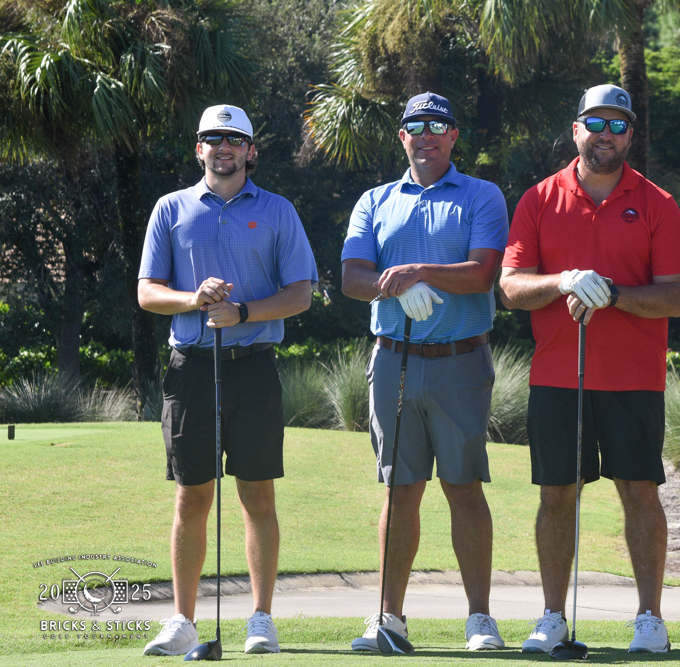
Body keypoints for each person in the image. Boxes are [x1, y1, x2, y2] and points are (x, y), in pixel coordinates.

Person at [498, 84, 680, 654]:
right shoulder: (539, 198)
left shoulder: (657, 203)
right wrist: (562, 281)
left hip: (633, 378)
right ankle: (553, 616)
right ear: (577, 129)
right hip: (557, 376)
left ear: (630, 135)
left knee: (639, 490)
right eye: (596, 123)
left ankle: (650, 619)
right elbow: (510, 287)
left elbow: (675, 297)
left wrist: (612, 293)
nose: (606, 135)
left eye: (618, 125)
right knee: (557, 494)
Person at [137, 104, 317, 656]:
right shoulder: (171, 209)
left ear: (250, 150)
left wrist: (242, 313)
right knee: (192, 497)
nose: (224, 147)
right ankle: (183, 622)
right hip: (191, 369)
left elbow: (300, 293)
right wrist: (193, 299)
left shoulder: (279, 210)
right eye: (213, 138)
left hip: (254, 368)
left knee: (257, 494)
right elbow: (148, 292)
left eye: (234, 139)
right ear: (199, 148)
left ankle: (261, 619)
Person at [341, 91, 509, 652]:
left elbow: (482, 273)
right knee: (400, 488)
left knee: (464, 487)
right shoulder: (374, 200)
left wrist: (418, 272)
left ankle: (479, 619)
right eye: (417, 126)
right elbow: (353, 277)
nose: (427, 136)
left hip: (461, 360)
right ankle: (388, 617)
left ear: (453, 136)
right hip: (393, 360)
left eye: (439, 126)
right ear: (403, 136)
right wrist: (393, 286)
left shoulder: (481, 195)